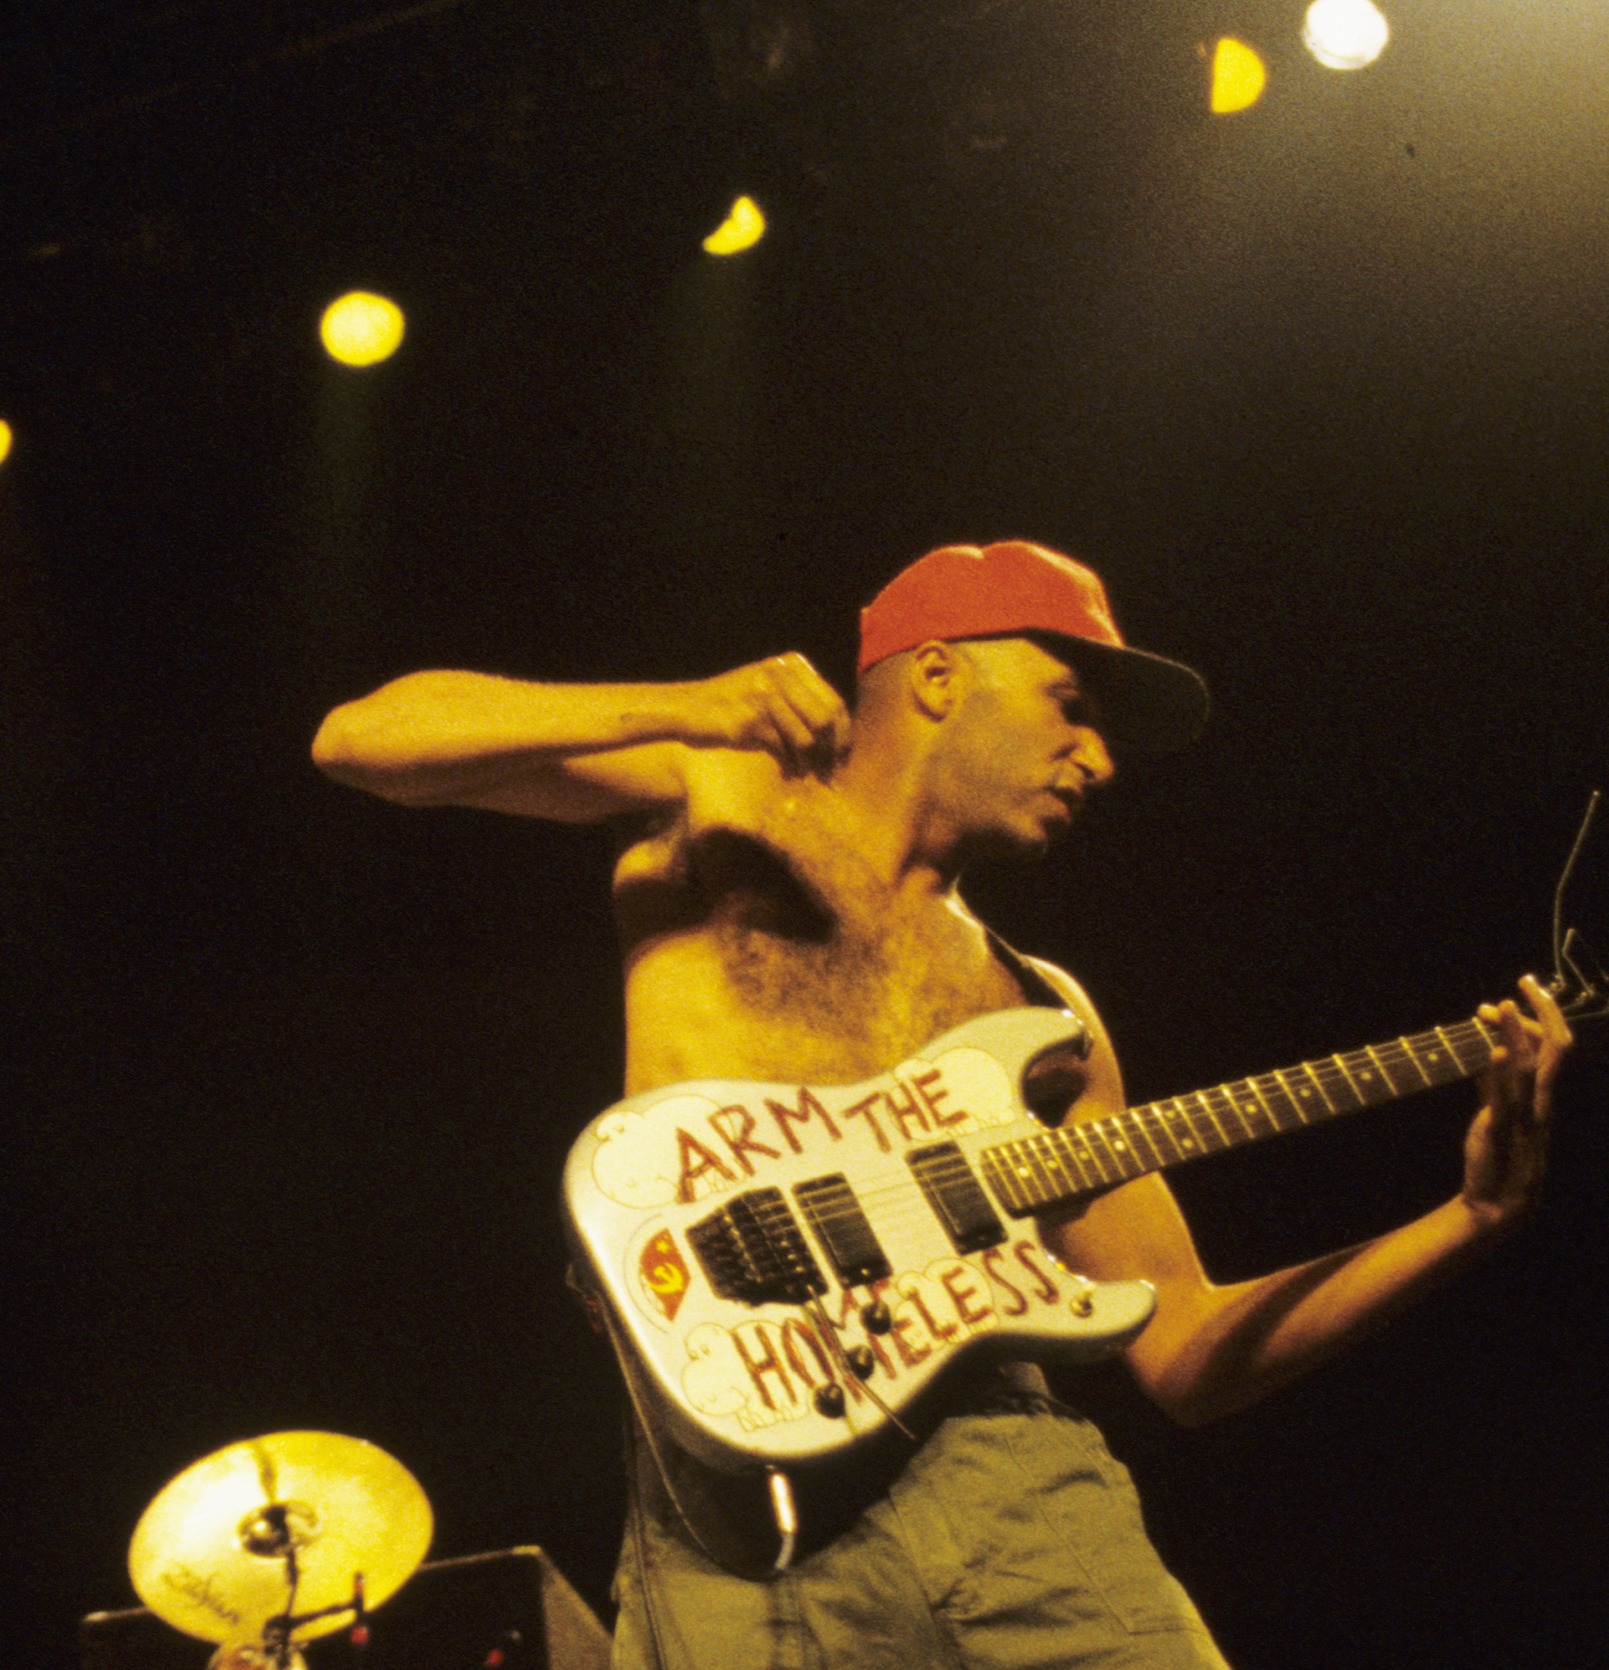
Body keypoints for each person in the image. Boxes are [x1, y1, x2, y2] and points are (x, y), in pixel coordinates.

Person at [311, 541, 1572, 1667]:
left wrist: (1472, 1217)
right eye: (1072, 707)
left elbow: (1185, 1351)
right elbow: (365, 742)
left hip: (1016, 1490)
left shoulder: (1045, 1013)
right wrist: (690, 705)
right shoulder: (723, 794)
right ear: (932, 675)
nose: (1102, 759)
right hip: (735, 1520)